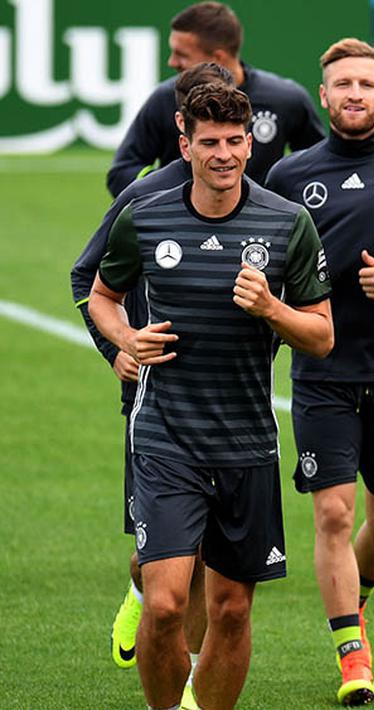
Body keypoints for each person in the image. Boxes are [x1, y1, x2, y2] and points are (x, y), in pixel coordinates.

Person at [88, 83, 333, 710]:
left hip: (247, 443)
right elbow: (101, 296)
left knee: (230, 610)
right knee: (167, 604)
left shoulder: (287, 223)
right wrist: (124, 340)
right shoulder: (146, 214)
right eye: (209, 144)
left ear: (249, 142)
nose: (223, 155)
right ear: (185, 144)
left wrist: (273, 308)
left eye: (233, 142)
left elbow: (322, 336)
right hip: (165, 436)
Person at [263, 37, 374, 706]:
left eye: (366, 84)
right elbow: (270, 273)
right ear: (325, 95)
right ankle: (351, 653)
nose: (354, 94)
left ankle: (355, 599)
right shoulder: (287, 179)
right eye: (342, 84)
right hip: (323, 373)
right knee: (334, 517)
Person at [71, 61, 235, 710]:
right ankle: (139, 595)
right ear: (182, 127)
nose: (218, 144)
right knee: (165, 559)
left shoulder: (255, 199)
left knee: (206, 562)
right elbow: (87, 281)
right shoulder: (144, 200)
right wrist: (116, 347)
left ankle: (192, 683)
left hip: (231, 406)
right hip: (154, 395)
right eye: (205, 127)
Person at [106, 1, 324, 197]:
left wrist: (276, 203)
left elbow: (320, 165)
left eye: (182, 54)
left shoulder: (285, 99)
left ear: (217, 59)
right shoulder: (165, 98)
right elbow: (122, 172)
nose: (172, 62)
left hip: (258, 232)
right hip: (182, 229)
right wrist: (173, 194)